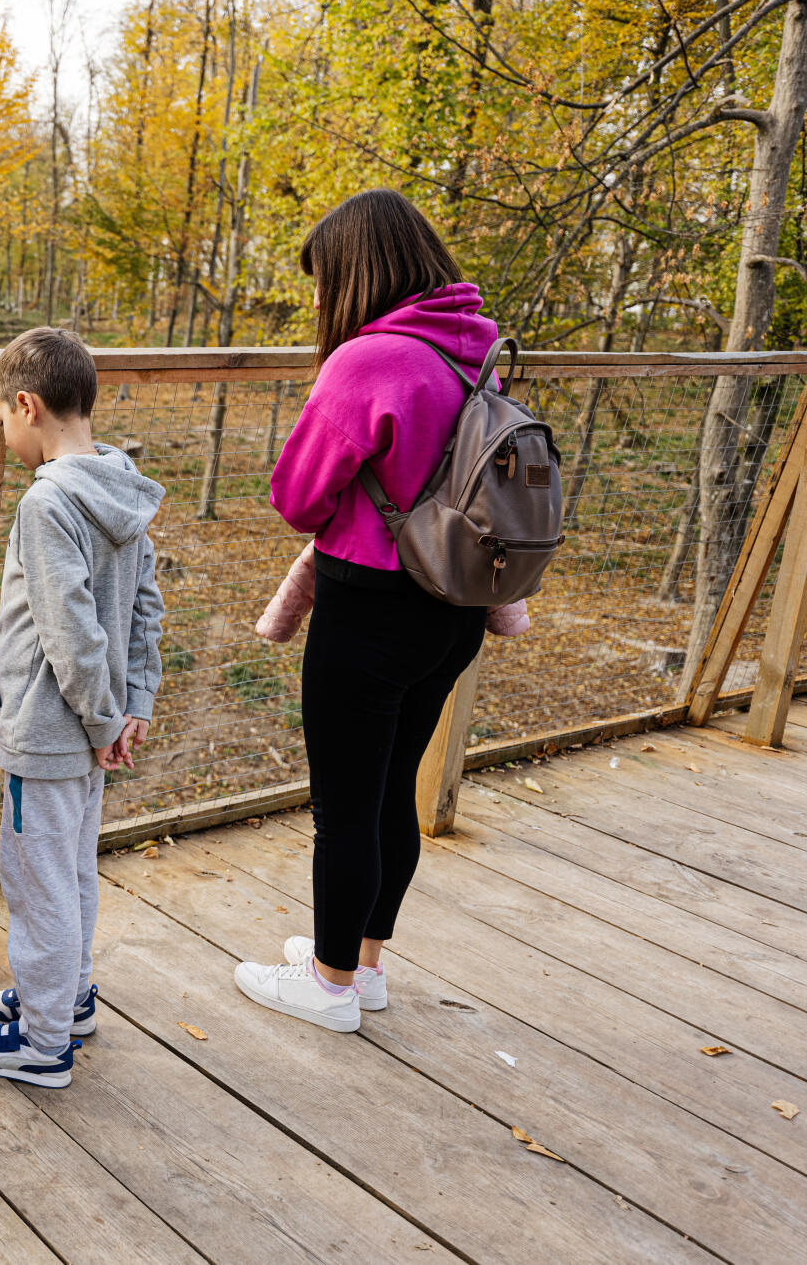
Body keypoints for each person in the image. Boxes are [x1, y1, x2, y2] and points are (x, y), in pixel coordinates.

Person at [234, 187, 490, 1033]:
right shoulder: (477, 350)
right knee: (390, 791)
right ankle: (364, 962)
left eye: (322, 280)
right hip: (454, 606)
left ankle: (330, 983)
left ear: (359, 273)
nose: (317, 300)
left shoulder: (370, 361)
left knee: (343, 805)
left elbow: (298, 497)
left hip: (371, 604)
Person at [0, 326, 165, 1090]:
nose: (3, 434)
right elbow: (144, 608)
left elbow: (69, 634)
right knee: (71, 871)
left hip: (48, 734)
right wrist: (132, 704)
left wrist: (104, 720)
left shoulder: (46, 506)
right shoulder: (121, 484)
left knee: (38, 884)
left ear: (28, 405)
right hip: (95, 734)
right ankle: (66, 1000)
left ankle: (42, 1042)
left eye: (2, 419)